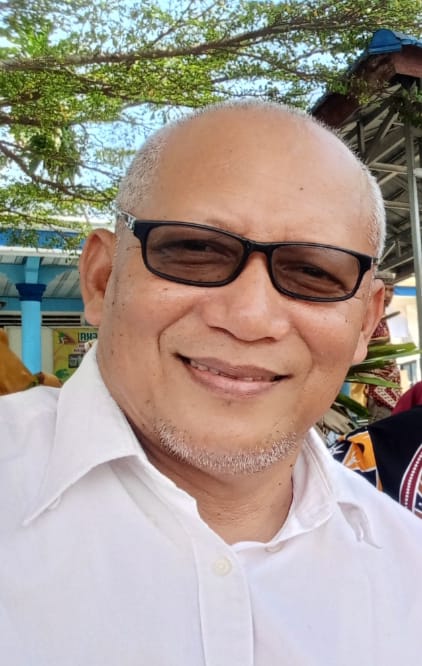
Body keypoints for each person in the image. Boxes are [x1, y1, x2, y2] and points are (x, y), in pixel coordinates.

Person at [0, 101, 421, 665]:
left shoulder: (407, 575)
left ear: (366, 323)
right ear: (101, 279)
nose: (249, 318)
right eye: (195, 251)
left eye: (313, 272)